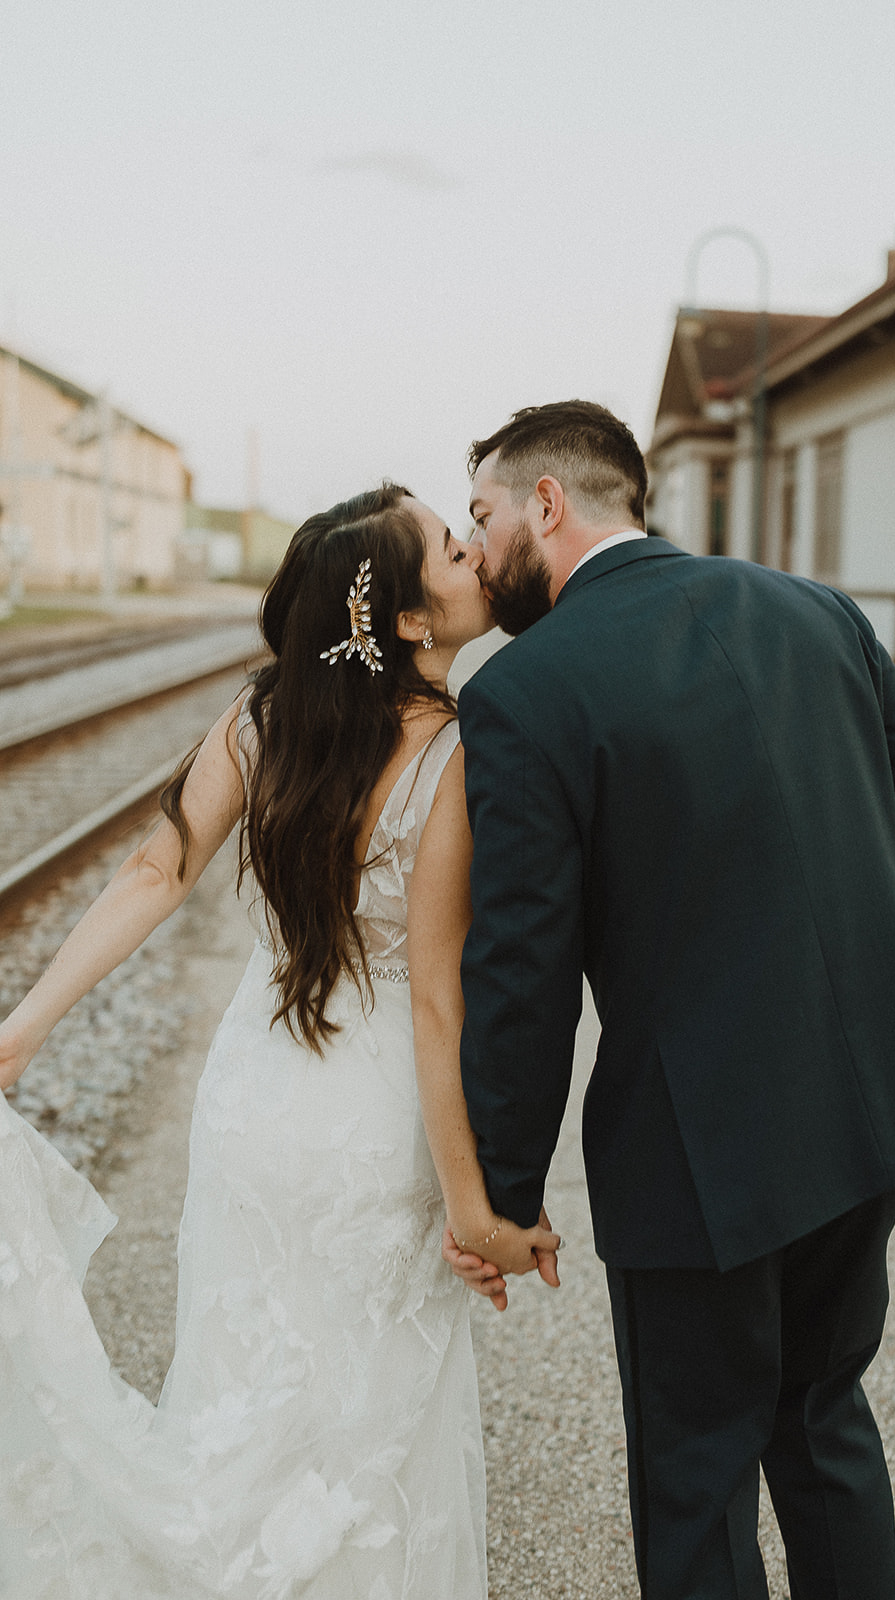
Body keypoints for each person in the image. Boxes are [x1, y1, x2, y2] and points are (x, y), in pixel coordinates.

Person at [444, 401, 895, 1600]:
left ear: (546, 502)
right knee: (822, 1422)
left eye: (481, 515)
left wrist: (502, 1188)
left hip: (692, 1148)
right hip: (861, 1114)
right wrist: (890, 1033)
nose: (475, 547)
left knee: (695, 1472)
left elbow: (521, 966)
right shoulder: (817, 610)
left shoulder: (523, 689)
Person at [0, 484, 557, 1600]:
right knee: (369, 1421)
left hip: (254, 1101)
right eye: (453, 549)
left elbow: (154, 869)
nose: (474, 551)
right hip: (371, 1123)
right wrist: (474, 1210)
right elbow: (433, 999)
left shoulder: (263, 718)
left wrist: (19, 1031)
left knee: (240, 1388)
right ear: (408, 619)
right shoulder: (454, 755)